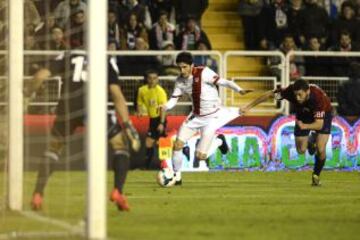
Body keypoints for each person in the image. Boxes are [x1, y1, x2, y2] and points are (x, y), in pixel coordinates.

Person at [26, 51, 141, 211]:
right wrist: (127, 124)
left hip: (68, 108)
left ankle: (37, 194)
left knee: (53, 149)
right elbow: (116, 94)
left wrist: (26, 93)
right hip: (94, 107)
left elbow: (40, 76)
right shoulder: (105, 58)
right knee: (120, 146)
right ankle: (118, 192)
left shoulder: (66, 56)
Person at [160, 51, 253, 185]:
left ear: (191, 65)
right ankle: (177, 177)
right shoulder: (180, 81)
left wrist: (239, 90)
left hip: (212, 118)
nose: (182, 70)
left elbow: (224, 82)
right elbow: (173, 100)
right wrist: (165, 106)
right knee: (177, 145)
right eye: (179, 67)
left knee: (200, 157)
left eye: (185, 67)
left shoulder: (204, 72)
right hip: (195, 116)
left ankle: (219, 141)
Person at [241, 79, 333, 186]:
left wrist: (305, 126)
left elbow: (319, 124)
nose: (297, 98)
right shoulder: (289, 91)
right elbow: (270, 94)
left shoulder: (318, 98)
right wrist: (248, 107)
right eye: (296, 95)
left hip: (324, 115)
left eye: (300, 94)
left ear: (307, 91)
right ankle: (310, 141)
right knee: (301, 150)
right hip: (303, 114)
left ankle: (316, 175)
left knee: (321, 148)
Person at [136, 69, 168, 169]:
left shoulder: (160, 92)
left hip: (160, 119)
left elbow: (163, 109)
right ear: (147, 79)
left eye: (155, 78)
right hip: (152, 120)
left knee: (160, 143)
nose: (152, 80)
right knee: (150, 143)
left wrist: (162, 123)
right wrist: (140, 110)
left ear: (158, 79)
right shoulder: (142, 90)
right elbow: (139, 102)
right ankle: (148, 167)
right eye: (150, 78)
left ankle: (165, 166)